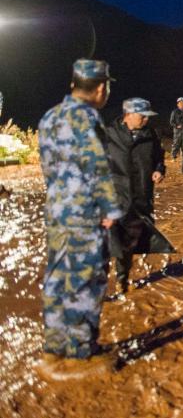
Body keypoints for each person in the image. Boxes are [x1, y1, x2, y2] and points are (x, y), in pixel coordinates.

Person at [37, 59, 122, 371]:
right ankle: (80, 354)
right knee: (85, 279)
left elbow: (46, 165)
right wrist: (110, 209)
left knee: (58, 275)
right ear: (101, 88)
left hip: (57, 209)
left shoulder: (50, 116)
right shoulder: (87, 118)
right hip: (84, 213)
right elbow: (98, 167)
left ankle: (54, 347)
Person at [105, 98, 173, 296]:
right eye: (142, 116)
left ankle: (121, 281)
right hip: (112, 199)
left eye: (147, 117)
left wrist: (159, 170)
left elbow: (158, 157)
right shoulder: (109, 135)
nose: (145, 120)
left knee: (126, 244)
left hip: (139, 198)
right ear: (128, 115)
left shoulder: (150, 135)